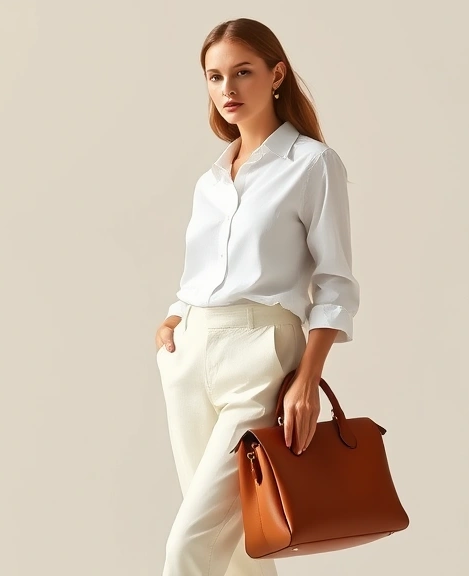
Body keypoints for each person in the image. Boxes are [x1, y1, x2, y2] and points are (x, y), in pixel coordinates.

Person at [154, 17, 360, 576]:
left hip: (261, 354)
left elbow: (335, 283)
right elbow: (198, 273)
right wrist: (172, 321)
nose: (228, 90)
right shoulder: (212, 180)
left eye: (242, 72)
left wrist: (308, 380)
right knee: (244, 545)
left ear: (276, 74)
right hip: (190, 357)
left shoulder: (313, 164)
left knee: (189, 548)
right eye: (215, 77)